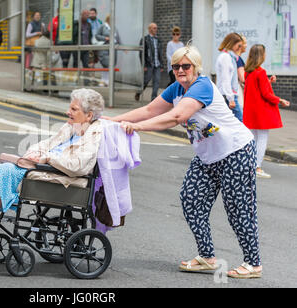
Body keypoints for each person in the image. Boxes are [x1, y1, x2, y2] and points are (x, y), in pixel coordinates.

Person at [105, 45, 263, 279]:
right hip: (207, 157)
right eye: (176, 66)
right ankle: (207, 257)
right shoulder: (176, 89)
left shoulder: (202, 86)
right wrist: (111, 121)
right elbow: (149, 109)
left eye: (185, 66)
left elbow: (176, 116)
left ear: (196, 67)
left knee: (238, 209)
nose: (180, 70)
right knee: (191, 200)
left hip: (236, 152)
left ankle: (253, 263)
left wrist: (135, 128)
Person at [0, 88, 105, 244]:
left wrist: (46, 158)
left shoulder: (94, 135)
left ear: (89, 115)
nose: (68, 112)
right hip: (44, 170)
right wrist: (31, 154)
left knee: (5, 172)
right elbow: (46, 144)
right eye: (70, 108)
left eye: (74, 109)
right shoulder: (71, 127)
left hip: (63, 180)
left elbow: (78, 166)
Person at [243, 44, 291, 179]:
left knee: (252, 139)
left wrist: (268, 81)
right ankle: (257, 167)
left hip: (251, 111)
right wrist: (280, 100)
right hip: (261, 112)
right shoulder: (261, 72)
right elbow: (265, 94)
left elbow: (257, 88)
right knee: (262, 139)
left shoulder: (249, 72)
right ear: (261, 56)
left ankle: (250, 165)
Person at [215, 32, 244, 122]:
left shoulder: (229, 56)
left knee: (231, 123)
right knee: (240, 122)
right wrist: (231, 98)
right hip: (227, 95)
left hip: (228, 94)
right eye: (238, 46)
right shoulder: (225, 57)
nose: (239, 49)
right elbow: (225, 79)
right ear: (232, 43)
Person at [136, 23, 163, 102]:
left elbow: (160, 53)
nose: (156, 30)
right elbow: (141, 54)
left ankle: (153, 99)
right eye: (154, 28)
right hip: (149, 64)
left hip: (157, 64)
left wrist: (162, 64)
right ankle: (139, 92)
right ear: (149, 29)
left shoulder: (158, 40)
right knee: (146, 80)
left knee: (157, 81)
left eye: (156, 28)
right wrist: (143, 65)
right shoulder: (145, 39)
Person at [95, 15, 121, 86]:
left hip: (113, 49)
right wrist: (105, 38)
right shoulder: (103, 26)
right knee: (106, 64)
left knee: (112, 64)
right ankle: (104, 80)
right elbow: (97, 36)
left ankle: (108, 80)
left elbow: (118, 38)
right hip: (105, 48)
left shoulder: (114, 28)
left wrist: (122, 46)